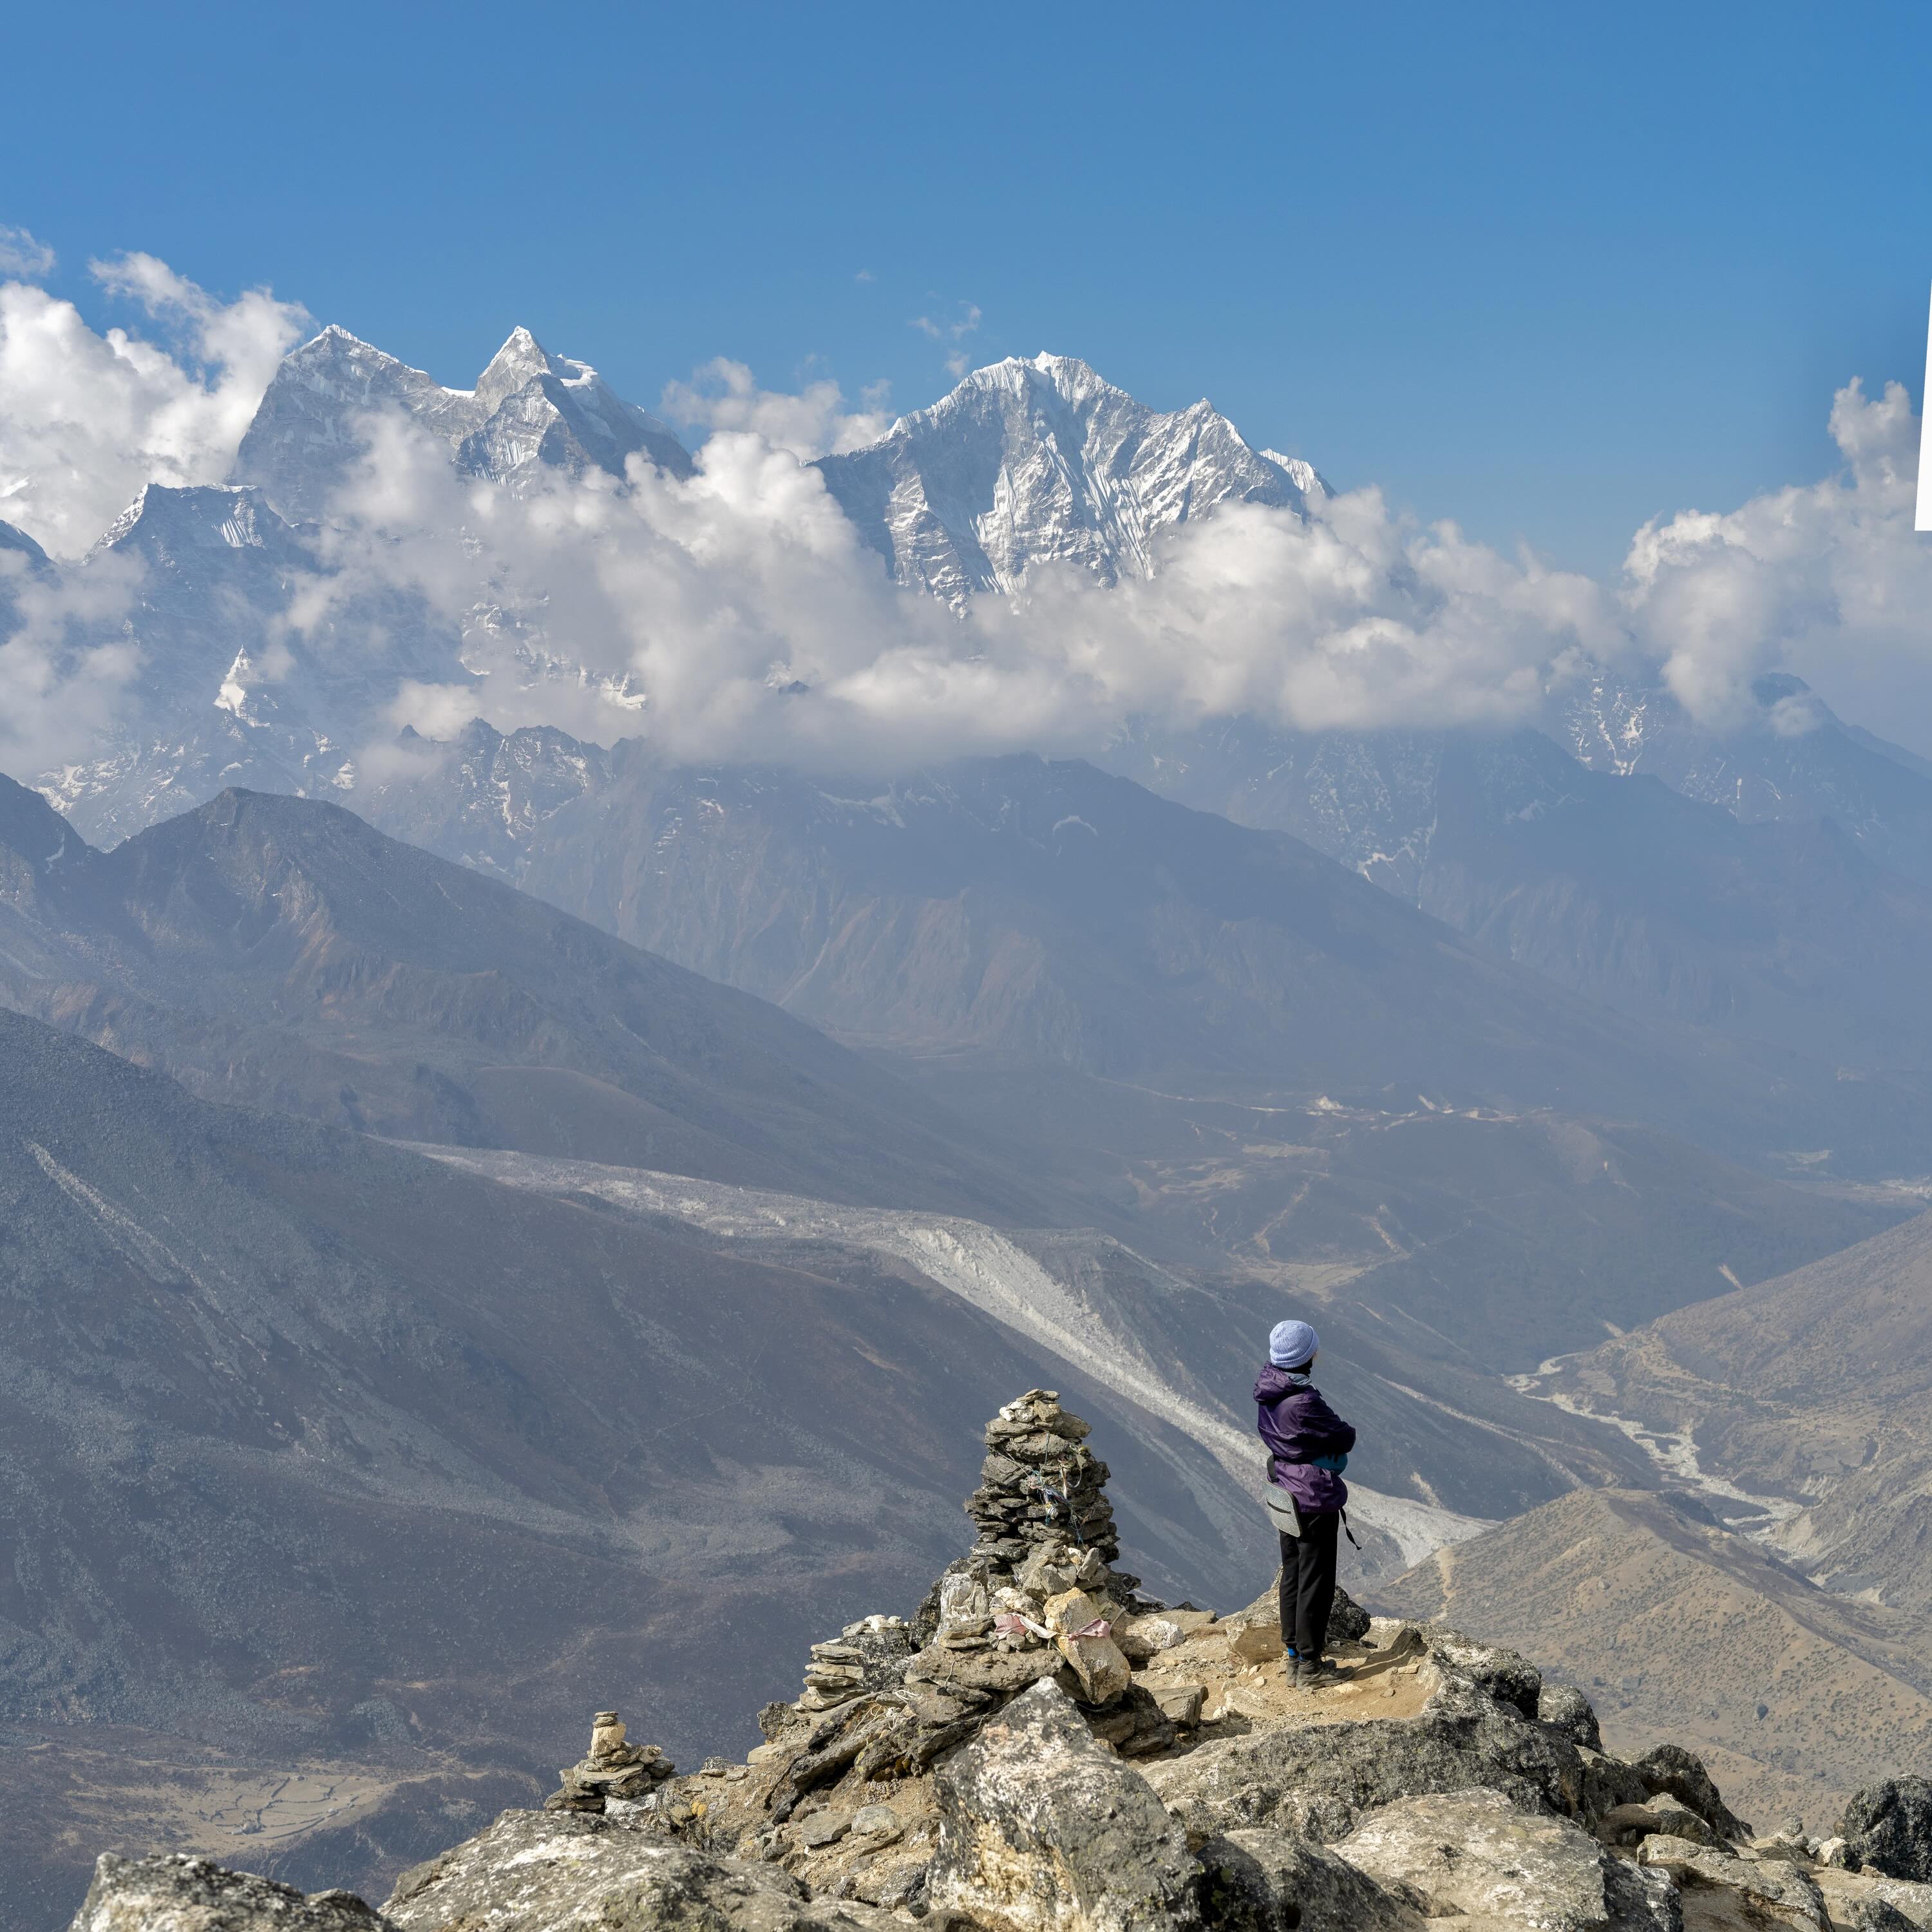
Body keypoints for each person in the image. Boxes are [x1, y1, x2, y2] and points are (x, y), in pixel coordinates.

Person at [1255, 1318, 1356, 1688]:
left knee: (1294, 1573)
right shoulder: (1305, 1401)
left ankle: (1295, 1659)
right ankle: (1311, 1668)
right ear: (1306, 1355)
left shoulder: (1268, 1391)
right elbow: (1344, 1437)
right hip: (1311, 1498)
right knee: (1317, 1580)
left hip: (1285, 1489)